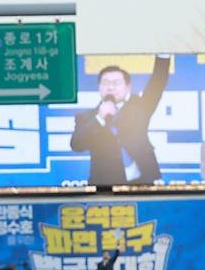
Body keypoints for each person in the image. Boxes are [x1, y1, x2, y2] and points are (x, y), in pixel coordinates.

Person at [69, 57, 170, 186]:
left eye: (116, 83)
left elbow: (158, 82)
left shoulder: (140, 107)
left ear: (128, 87)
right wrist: (99, 118)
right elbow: (76, 145)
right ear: (99, 87)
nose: (110, 87)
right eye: (105, 83)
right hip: (106, 187)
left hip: (144, 183)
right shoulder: (87, 117)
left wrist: (163, 55)